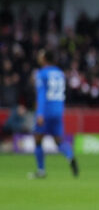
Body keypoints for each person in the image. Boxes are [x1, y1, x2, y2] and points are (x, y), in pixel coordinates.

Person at [30, 49, 77, 179]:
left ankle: (41, 170)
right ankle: (70, 156)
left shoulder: (42, 74)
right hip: (58, 110)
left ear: (44, 58)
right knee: (59, 141)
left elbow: (41, 95)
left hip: (45, 111)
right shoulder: (60, 73)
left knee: (37, 139)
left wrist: (40, 113)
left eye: (40, 55)